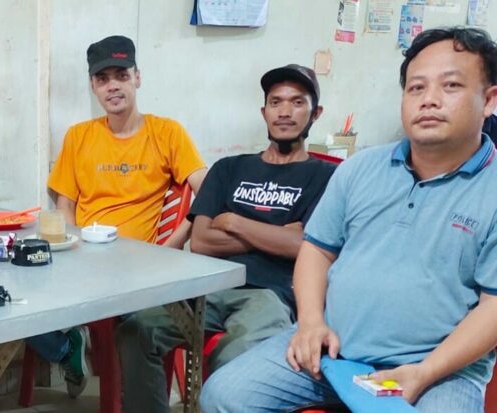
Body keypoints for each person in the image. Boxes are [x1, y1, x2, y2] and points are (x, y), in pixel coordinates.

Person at [200, 26, 497, 413]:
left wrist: (424, 373)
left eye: (451, 86)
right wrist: (310, 323)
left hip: (438, 371)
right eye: (416, 88)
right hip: (331, 349)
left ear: (489, 99)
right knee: (224, 395)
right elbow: (316, 250)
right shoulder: (360, 169)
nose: (429, 100)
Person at [116, 64, 336, 412]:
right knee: (137, 330)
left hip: (270, 294)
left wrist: (233, 222)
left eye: (297, 102)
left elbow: (305, 247)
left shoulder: (328, 177)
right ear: (264, 112)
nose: (284, 111)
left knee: (234, 355)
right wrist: (279, 234)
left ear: (316, 113)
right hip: (209, 288)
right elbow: (202, 241)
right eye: (276, 102)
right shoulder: (229, 168)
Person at [26, 35, 208, 397]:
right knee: (15, 290)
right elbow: (65, 205)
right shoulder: (79, 136)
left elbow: (207, 189)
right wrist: (69, 252)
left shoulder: (166, 132)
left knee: (130, 324)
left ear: (137, 77)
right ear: (93, 86)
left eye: (121, 75)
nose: (113, 86)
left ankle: (73, 343)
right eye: (103, 78)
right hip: (83, 256)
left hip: (136, 267)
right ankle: (65, 347)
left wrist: (173, 245)